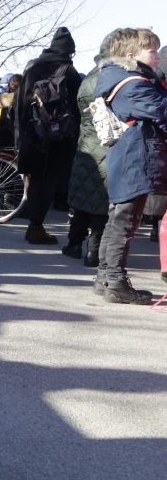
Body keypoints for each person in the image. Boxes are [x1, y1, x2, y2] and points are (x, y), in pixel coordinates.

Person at [92, 28, 167, 304]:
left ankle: (105, 278)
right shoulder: (134, 84)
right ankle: (116, 282)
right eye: (152, 51)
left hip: (129, 156)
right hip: (135, 158)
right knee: (126, 222)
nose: (157, 57)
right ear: (131, 55)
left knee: (118, 220)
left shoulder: (121, 78)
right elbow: (162, 109)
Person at [13, 27, 81, 245]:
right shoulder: (68, 71)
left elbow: (19, 107)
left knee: (36, 181)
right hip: (58, 138)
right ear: (69, 51)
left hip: (32, 135)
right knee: (49, 182)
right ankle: (36, 228)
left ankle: (34, 225)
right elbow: (77, 109)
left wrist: (20, 137)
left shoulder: (32, 69)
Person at [62, 31, 121, 266]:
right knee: (101, 203)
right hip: (107, 143)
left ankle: (74, 243)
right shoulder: (112, 77)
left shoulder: (89, 77)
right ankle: (94, 251)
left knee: (81, 198)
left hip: (86, 142)